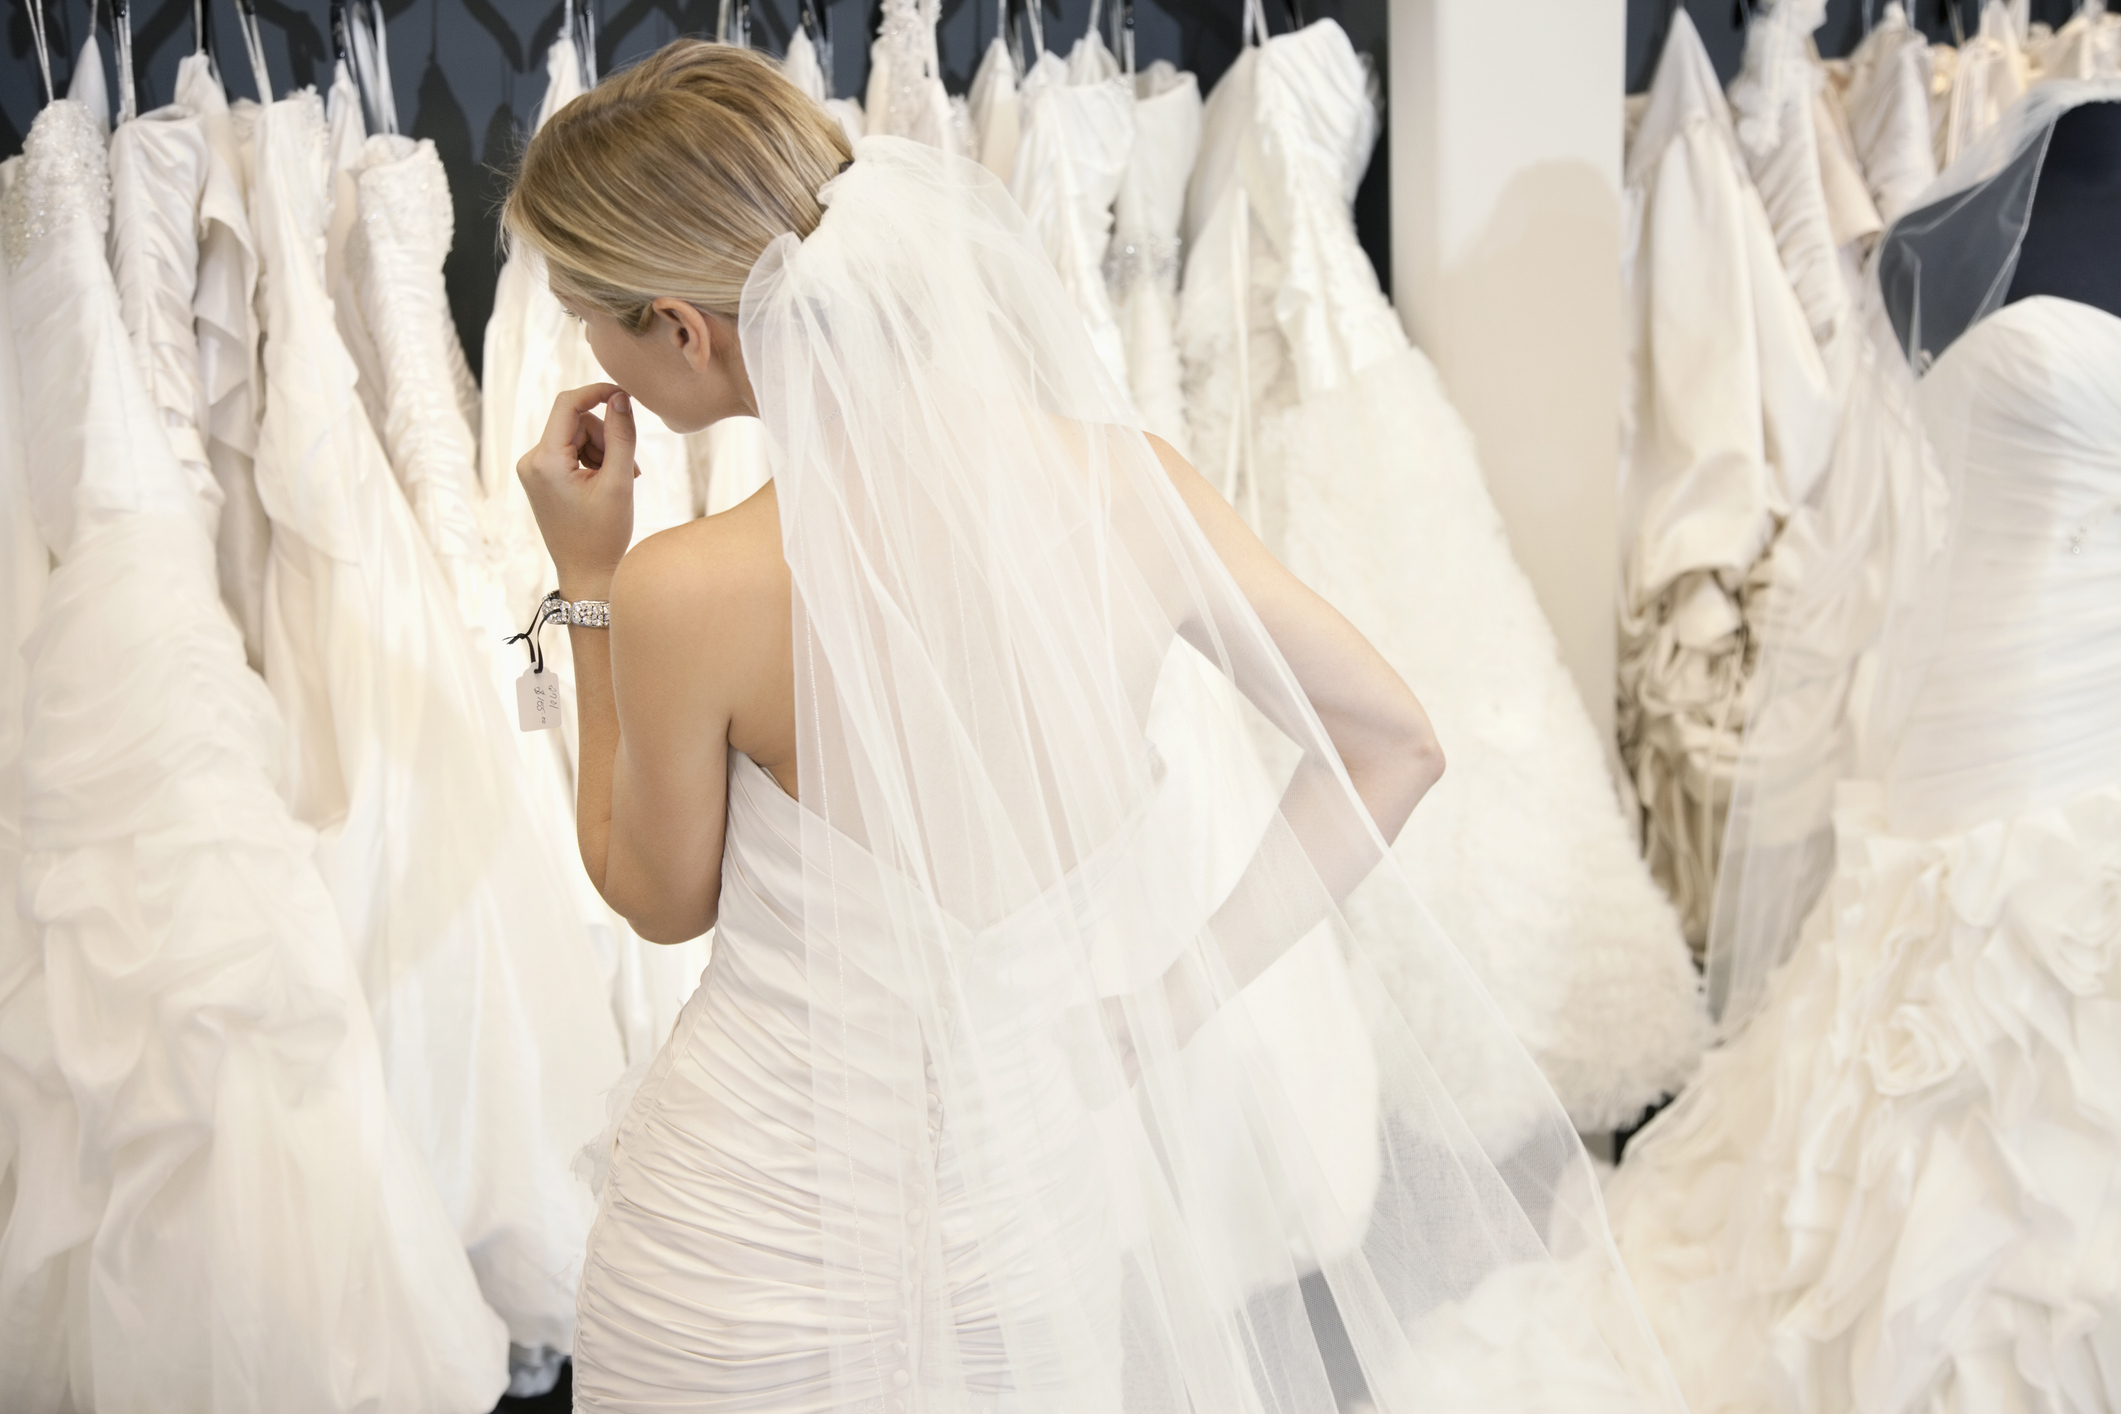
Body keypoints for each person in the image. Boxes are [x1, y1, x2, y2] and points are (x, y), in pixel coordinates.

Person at [507, 40, 1682, 1413]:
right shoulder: (1133, 492)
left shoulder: (687, 586)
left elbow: (654, 896)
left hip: (755, 1226)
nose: (592, 352)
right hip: (1028, 1208)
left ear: (683, 328)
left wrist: (585, 586)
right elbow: (1396, 745)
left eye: (590, 314)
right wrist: (1159, 1005)